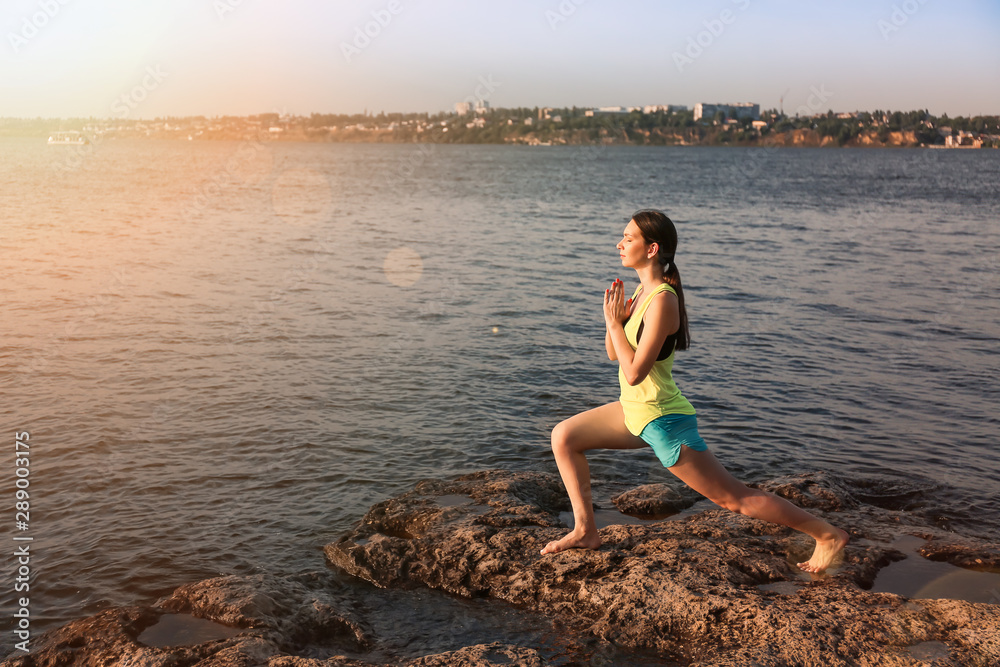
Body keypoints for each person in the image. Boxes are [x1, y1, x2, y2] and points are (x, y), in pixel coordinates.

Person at [540, 209, 849, 573]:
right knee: (564, 436)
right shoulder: (641, 292)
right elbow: (615, 354)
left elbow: (636, 371)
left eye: (628, 238)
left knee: (736, 499)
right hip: (634, 410)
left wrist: (612, 323)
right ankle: (585, 530)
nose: (619, 243)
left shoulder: (662, 300)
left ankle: (827, 535)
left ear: (652, 248)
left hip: (662, 418)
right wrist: (616, 322)